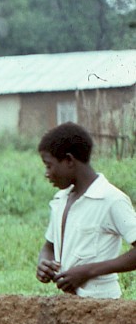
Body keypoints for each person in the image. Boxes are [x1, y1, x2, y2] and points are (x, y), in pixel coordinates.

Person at [35, 121, 136, 298]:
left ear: (69, 160)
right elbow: (49, 246)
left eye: (49, 165)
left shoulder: (110, 199)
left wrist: (88, 271)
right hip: (70, 305)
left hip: (103, 305)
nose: (46, 173)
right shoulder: (61, 200)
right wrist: (44, 262)